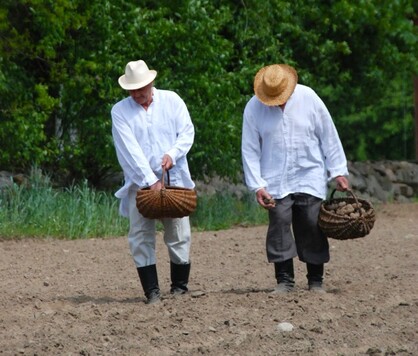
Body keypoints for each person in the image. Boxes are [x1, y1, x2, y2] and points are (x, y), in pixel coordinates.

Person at [241, 63, 350, 293]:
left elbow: (328, 134)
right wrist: (257, 185)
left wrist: (337, 171)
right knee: (279, 223)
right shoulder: (253, 107)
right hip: (273, 177)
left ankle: (315, 280)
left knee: (311, 222)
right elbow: (249, 149)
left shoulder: (309, 97)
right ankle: (284, 280)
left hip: (309, 172)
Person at [111, 59, 195, 304]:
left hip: (175, 178)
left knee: (179, 232)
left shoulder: (172, 100)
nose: (136, 94)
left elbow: (187, 132)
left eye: (141, 89)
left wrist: (173, 153)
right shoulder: (120, 111)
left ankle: (180, 287)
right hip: (139, 183)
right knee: (139, 234)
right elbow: (129, 150)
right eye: (132, 90)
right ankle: (152, 292)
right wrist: (149, 180)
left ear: (151, 82)